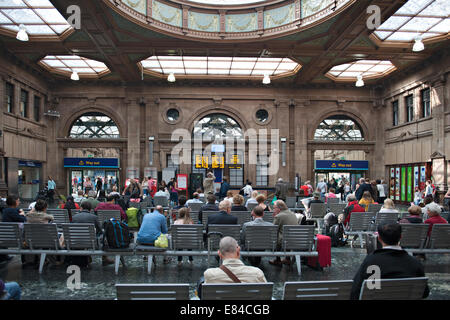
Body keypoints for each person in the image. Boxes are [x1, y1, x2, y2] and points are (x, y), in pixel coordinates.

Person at [350, 223, 429, 300]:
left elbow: (355, 289)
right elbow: (424, 292)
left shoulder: (371, 261)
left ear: (379, 238)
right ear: (400, 237)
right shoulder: (415, 263)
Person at [71, 201, 114, 266]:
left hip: (76, 241)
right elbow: (100, 230)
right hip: (91, 242)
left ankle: (87, 258)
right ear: (90, 209)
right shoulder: (94, 217)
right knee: (103, 236)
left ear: (81, 208)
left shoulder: (74, 217)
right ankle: (104, 258)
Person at [269, 200, 298, 266]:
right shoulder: (292, 213)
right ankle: (287, 259)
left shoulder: (279, 216)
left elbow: (273, 230)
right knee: (285, 234)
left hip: (283, 241)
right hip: (295, 240)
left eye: (274, 208)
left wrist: (275, 217)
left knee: (275, 237)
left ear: (278, 209)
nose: (273, 210)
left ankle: (278, 260)